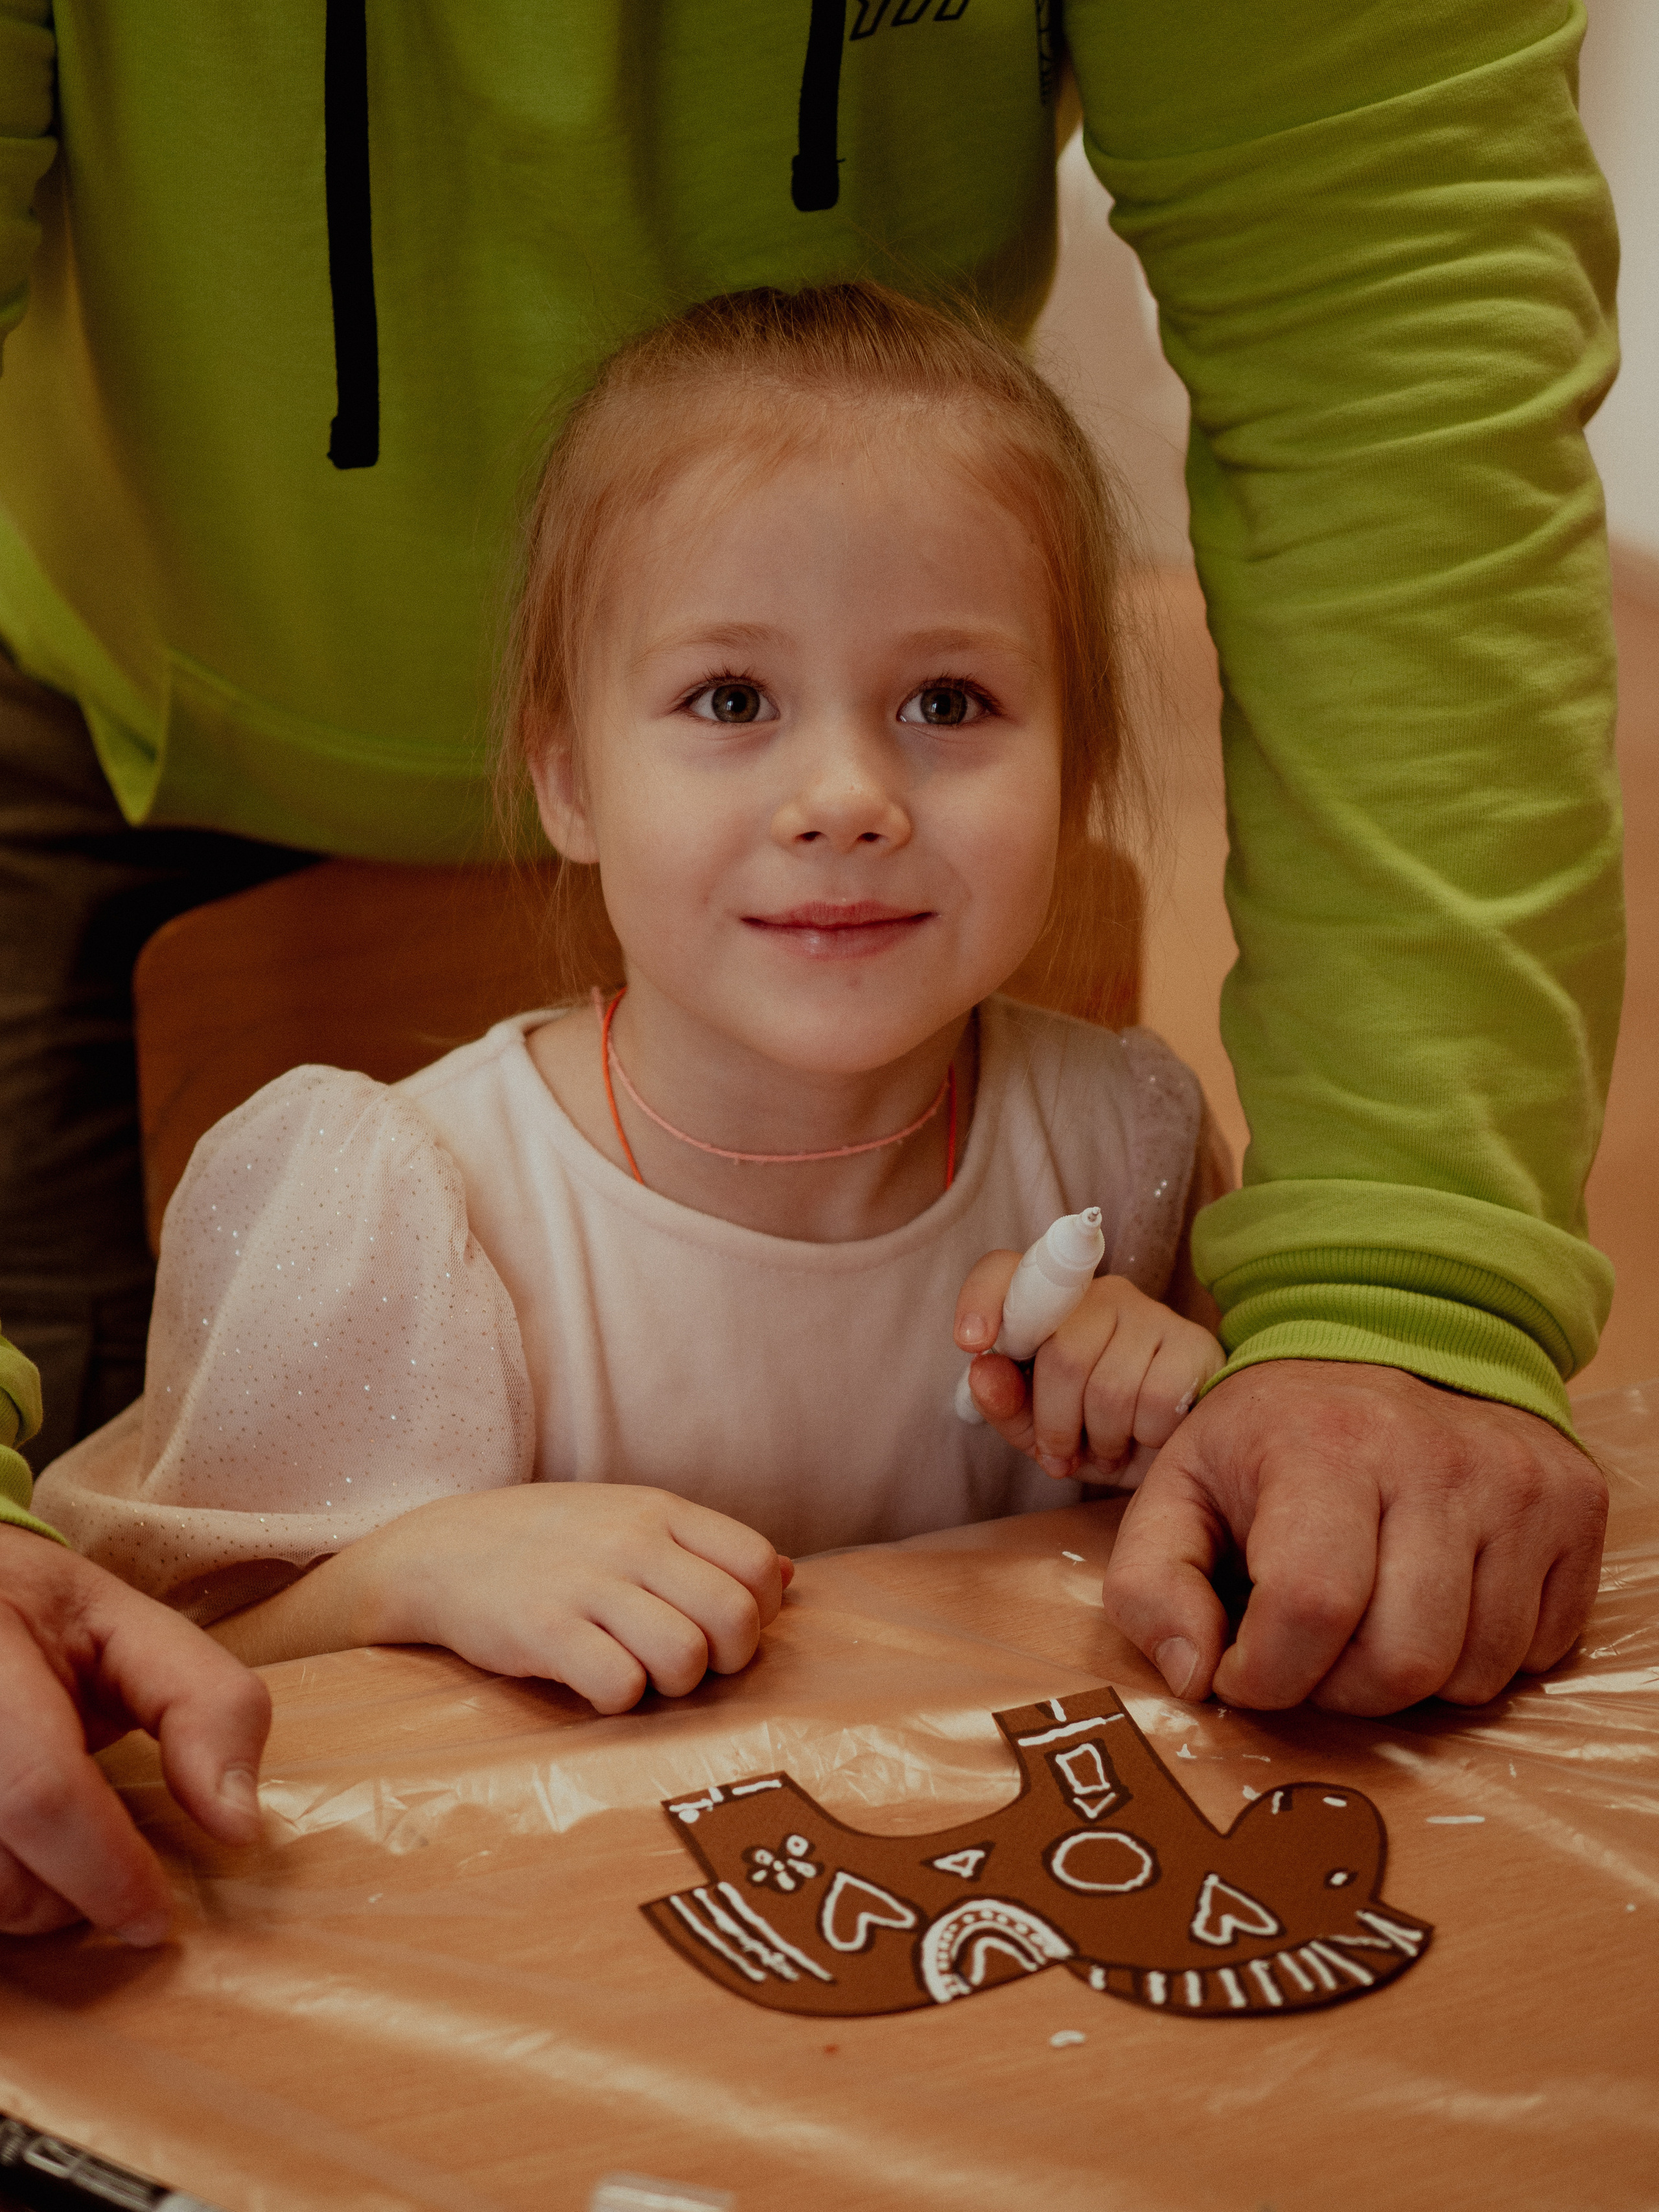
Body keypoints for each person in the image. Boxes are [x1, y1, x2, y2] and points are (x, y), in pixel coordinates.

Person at [0, 6, 1619, 1913]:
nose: (847, 794)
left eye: (946, 698)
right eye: (731, 698)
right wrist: (414, 1576)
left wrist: (1194, 1405)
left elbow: (1389, 258)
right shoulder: (377, 1205)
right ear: (561, 773)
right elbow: (171, 1684)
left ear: (1083, 759)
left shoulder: (1124, 1145)